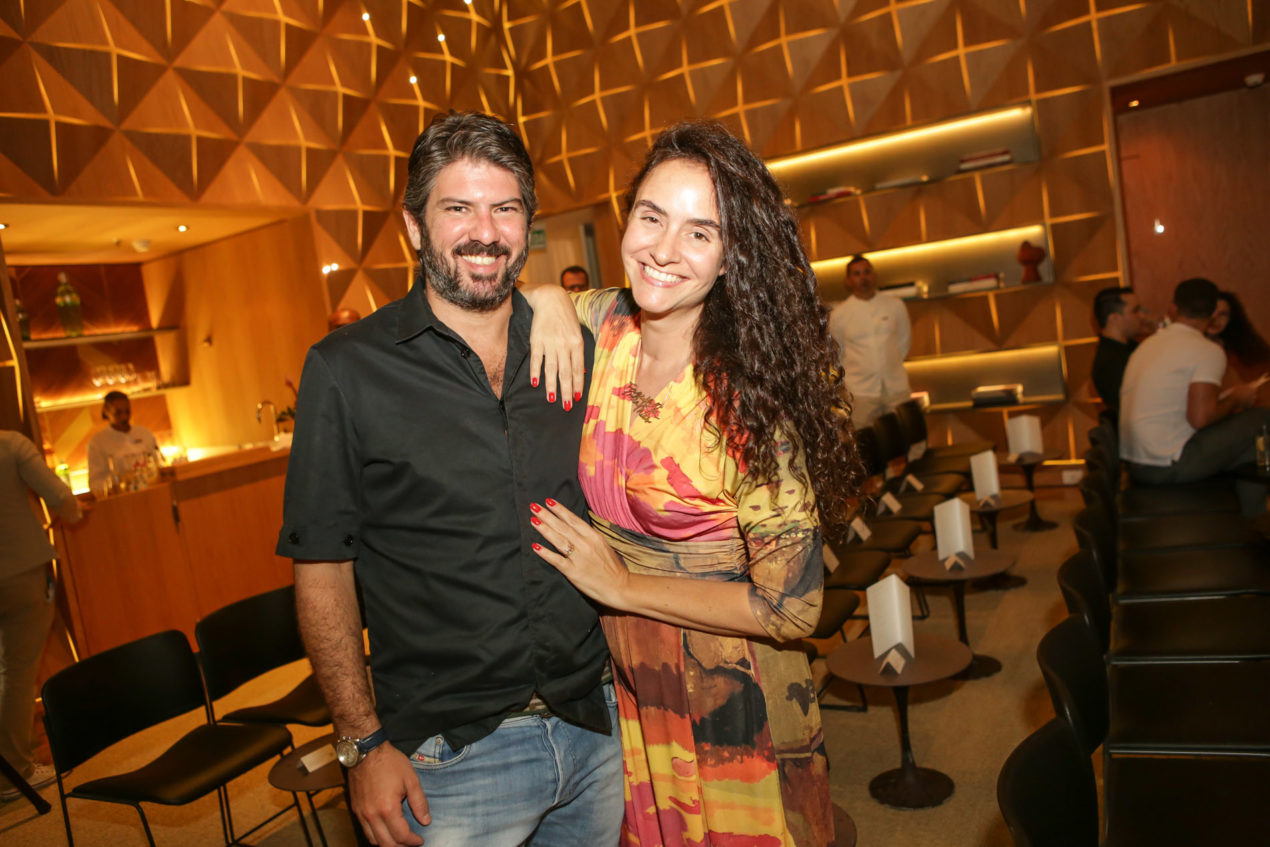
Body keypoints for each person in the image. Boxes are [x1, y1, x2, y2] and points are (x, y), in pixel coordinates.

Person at [276, 111, 621, 847]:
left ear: (528, 224)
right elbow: (323, 570)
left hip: (595, 726)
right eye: (458, 208)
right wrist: (360, 741)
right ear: (413, 225)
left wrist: (553, 299)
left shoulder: (580, 351)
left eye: (505, 209)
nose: (484, 232)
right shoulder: (346, 370)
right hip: (450, 759)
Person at [524, 121, 859, 846]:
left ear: (732, 256)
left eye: (699, 233)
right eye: (651, 217)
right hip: (624, 680)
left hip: (732, 696)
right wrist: (547, 295)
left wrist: (622, 585)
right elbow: (516, 304)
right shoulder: (604, 326)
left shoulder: (746, 404)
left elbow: (794, 608)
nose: (664, 250)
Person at [1119, 277, 1270, 515]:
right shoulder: (1206, 350)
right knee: (1263, 417)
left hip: (1136, 463)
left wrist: (1227, 398)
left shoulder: (1147, 346)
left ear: (1174, 308)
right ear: (1213, 313)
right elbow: (1200, 418)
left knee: (1251, 450)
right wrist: (1237, 398)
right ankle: (1254, 519)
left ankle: (1249, 519)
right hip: (1167, 465)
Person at [1, 429, 81, 800]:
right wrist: (74, 513)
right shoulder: (11, 444)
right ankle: (15, 773)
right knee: (18, 674)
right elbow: (60, 497)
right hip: (20, 571)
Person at [827, 254, 912, 425]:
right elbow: (838, 354)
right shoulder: (839, 315)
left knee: (906, 435)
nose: (863, 277)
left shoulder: (895, 305)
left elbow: (904, 342)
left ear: (874, 275)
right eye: (857, 274)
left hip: (896, 387)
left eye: (866, 272)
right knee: (865, 438)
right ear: (848, 281)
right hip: (860, 392)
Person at [85, 390, 161, 496]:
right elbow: (95, 483)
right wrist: (114, 485)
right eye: (118, 413)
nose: (124, 417)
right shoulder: (97, 443)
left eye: (127, 412)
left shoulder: (144, 433)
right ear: (106, 411)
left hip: (152, 493)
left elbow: (158, 466)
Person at [1090, 286, 1146, 425]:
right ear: (1114, 318)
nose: (1142, 316)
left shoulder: (1132, 348)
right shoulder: (1109, 362)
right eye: (1135, 311)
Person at [1206, 290, 1270, 378]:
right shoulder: (1191, 345)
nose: (1215, 319)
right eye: (1210, 312)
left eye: (1223, 314)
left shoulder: (1242, 351)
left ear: (1231, 319)